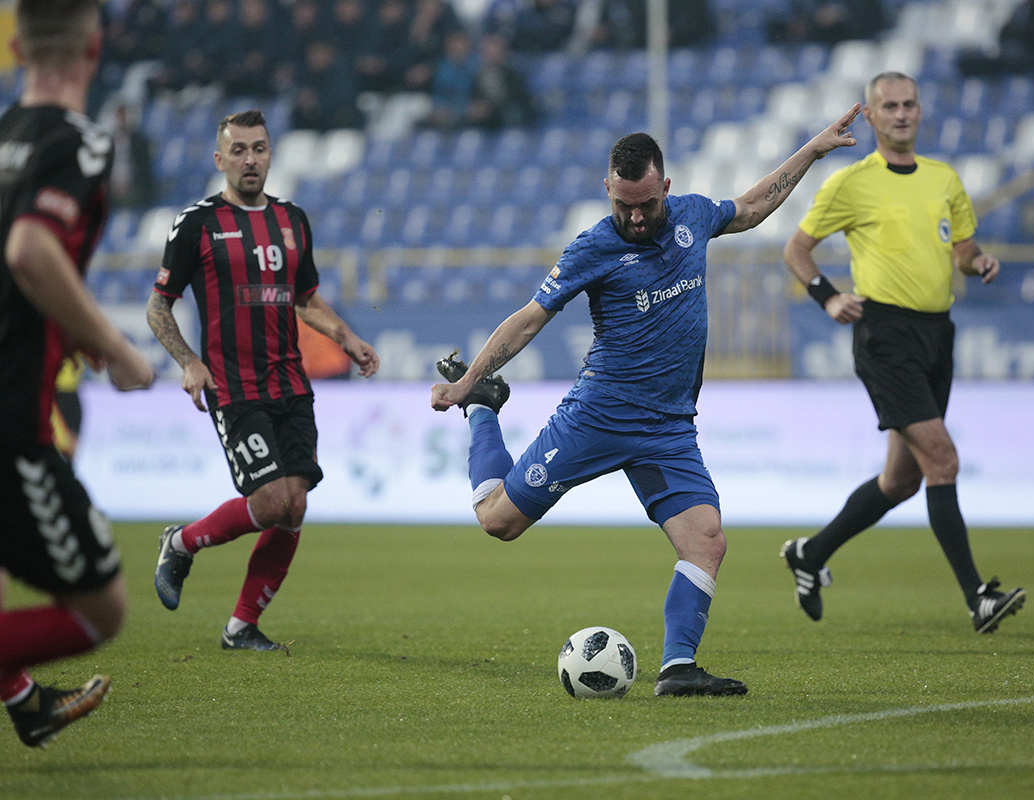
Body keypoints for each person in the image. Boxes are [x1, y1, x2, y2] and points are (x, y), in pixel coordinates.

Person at [431, 105, 861, 696]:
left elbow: (753, 206)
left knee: (706, 541)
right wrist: (467, 384)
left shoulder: (694, 216)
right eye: (623, 205)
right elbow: (529, 319)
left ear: (666, 186)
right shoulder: (592, 247)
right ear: (608, 189)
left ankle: (678, 667)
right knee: (497, 521)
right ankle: (482, 408)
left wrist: (811, 149)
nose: (635, 217)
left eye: (647, 204)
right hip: (598, 416)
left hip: (668, 429)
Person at [779, 72, 1026, 635]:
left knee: (901, 481)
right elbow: (797, 248)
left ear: (920, 109)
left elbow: (962, 249)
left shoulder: (943, 178)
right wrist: (828, 296)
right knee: (943, 459)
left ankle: (810, 555)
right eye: (889, 106)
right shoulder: (852, 183)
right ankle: (978, 598)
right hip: (884, 335)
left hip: (937, 333)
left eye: (909, 104)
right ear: (869, 115)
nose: (901, 114)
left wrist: (978, 262)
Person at [147, 109, 379, 652]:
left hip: (290, 381)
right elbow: (159, 308)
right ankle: (181, 543)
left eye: (259, 148)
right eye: (239, 150)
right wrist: (189, 362)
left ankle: (241, 627)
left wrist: (346, 337)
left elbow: (305, 297)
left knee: (295, 506)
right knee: (272, 502)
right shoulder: (197, 223)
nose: (250, 159)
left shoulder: (292, 219)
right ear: (220, 159)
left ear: (271, 154)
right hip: (234, 385)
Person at [0, 0, 156, 747]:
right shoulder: (81, 142)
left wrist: (69, 329)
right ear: (94, 48)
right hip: (11, 419)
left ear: (15, 48)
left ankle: (24, 701)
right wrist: (116, 346)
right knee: (101, 610)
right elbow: (30, 251)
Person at [956, 0, 1034, 77]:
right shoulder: (1021, 9)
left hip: (1031, 59)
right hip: (1011, 52)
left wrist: (1015, 33)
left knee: (996, 63)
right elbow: (1004, 32)